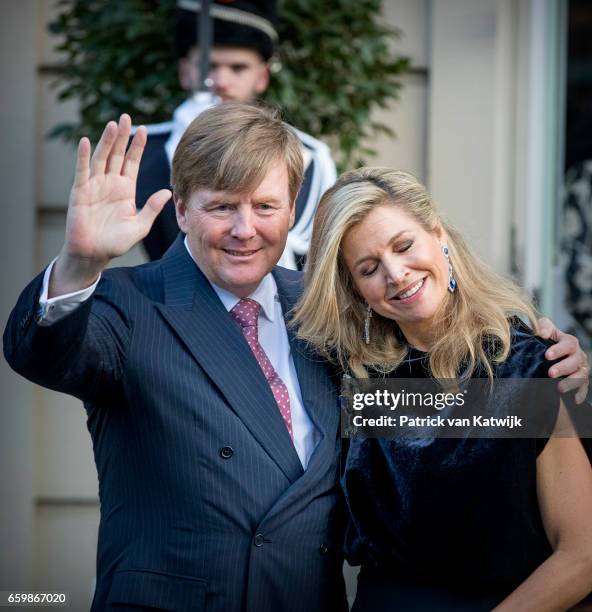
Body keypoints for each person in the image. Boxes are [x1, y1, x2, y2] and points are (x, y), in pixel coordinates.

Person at [2, 105, 586, 611]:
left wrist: (540, 361)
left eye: (265, 206)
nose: (245, 229)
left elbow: (448, 430)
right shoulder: (127, 306)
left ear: (292, 212)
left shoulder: (329, 315)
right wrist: (79, 265)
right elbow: (46, 352)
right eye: (222, 207)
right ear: (181, 211)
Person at [293, 167, 592, 611]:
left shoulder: (530, 365)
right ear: (356, 290)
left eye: (404, 245)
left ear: (439, 235)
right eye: (369, 268)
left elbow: (582, 556)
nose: (395, 274)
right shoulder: (348, 376)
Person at [136, 0, 336, 267]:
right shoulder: (143, 148)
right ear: (185, 72)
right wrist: (185, 146)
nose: (220, 81)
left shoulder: (310, 156)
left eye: (238, 68)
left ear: (262, 77)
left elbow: (301, 259)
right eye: (209, 66)